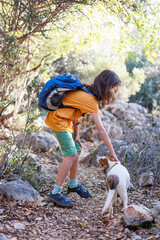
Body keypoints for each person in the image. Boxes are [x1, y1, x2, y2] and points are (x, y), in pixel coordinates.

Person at [45, 70, 121, 207]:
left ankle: (73, 185)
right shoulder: (90, 99)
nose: (113, 93)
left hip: (67, 121)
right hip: (58, 120)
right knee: (71, 154)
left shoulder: (87, 91)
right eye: (113, 89)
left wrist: (77, 135)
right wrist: (113, 153)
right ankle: (55, 192)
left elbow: (75, 112)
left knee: (77, 150)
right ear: (106, 86)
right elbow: (101, 130)